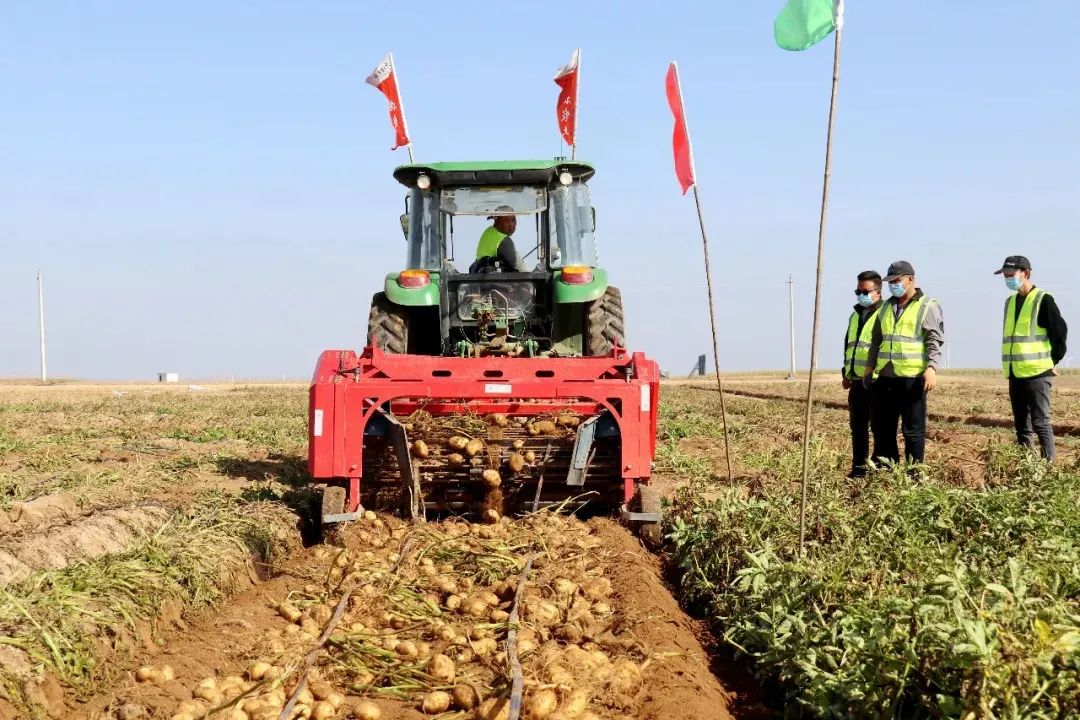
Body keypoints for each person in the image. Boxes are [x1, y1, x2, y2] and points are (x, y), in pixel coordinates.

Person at [864, 260, 944, 467]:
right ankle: (887, 470)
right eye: (890, 281)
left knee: (912, 431)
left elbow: (934, 340)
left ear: (910, 279)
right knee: (883, 429)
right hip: (886, 378)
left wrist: (931, 368)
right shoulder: (885, 308)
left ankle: (913, 475)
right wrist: (869, 367)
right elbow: (876, 341)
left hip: (912, 378)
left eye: (897, 281)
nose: (893, 285)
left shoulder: (927, 305)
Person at [995, 255, 1068, 461]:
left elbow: (1059, 332)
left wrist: (1053, 360)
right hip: (1015, 373)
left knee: (1041, 423)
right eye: (1005, 276)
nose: (1008, 279)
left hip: (1037, 372)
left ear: (1026, 273)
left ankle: (1047, 469)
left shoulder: (1043, 299)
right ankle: (1026, 468)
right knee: (1021, 426)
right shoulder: (1009, 303)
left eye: (1011, 275)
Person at [842, 270, 883, 478]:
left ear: (878, 292)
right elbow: (849, 345)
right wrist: (846, 373)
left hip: (876, 382)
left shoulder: (885, 314)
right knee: (858, 428)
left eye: (865, 291)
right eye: (858, 291)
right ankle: (858, 470)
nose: (861, 295)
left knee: (879, 429)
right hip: (856, 381)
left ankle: (877, 470)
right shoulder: (855, 315)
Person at [470, 206, 525, 273]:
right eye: (506, 220)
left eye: (513, 220)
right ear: (496, 220)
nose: (511, 225)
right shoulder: (504, 240)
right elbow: (516, 267)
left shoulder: (488, 232)